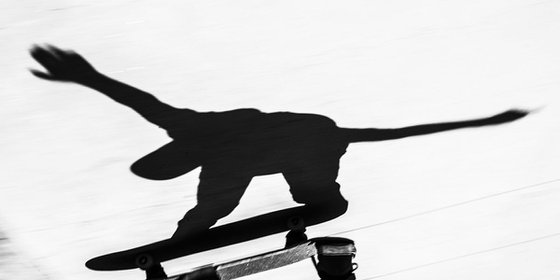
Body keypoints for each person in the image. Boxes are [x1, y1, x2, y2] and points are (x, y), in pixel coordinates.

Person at [30, 44, 529, 238]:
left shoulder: (197, 134)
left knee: (219, 200)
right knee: (272, 192)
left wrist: (88, 76)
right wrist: (87, 76)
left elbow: (140, 102)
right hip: (309, 140)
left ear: (178, 159)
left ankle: (320, 199)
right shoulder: (193, 133)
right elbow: (141, 101)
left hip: (304, 139)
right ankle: (321, 199)